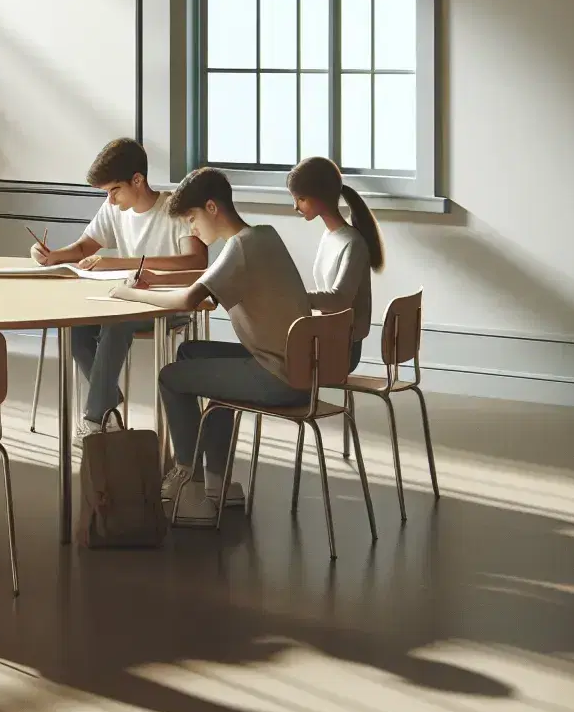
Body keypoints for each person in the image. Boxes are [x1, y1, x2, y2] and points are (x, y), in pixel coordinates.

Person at [108, 167, 311, 525]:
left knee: (171, 377)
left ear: (212, 208)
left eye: (191, 218)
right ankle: (220, 483)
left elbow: (188, 300)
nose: (191, 230)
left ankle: (192, 484)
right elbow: (204, 281)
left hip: (278, 377)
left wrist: (127, 292)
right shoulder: (263, 235)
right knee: (191, 354)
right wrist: (157, 280)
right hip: (295, 368)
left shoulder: (240, 248)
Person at [31, 138, 207, 439]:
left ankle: (96, 419)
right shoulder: (114, 209)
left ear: (137, 180)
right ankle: (108, 400)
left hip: (166, 302)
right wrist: (55, 255)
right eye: (107, 193)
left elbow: (196, 260)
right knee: (76, 328)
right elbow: (87, 245)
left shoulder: (175, 208)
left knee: (116, 322)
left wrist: (121, 262)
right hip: (126, 299)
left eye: (114, 191)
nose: (110, 200)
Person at [288, 156, 384, 373]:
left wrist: (293, 295)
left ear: (319, 197)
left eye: (300, 199)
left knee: (269, 357)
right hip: (327, 335)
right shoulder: (330, 236)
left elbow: (339, 298)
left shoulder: (353, 243)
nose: (295, 207)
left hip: (342, 348)